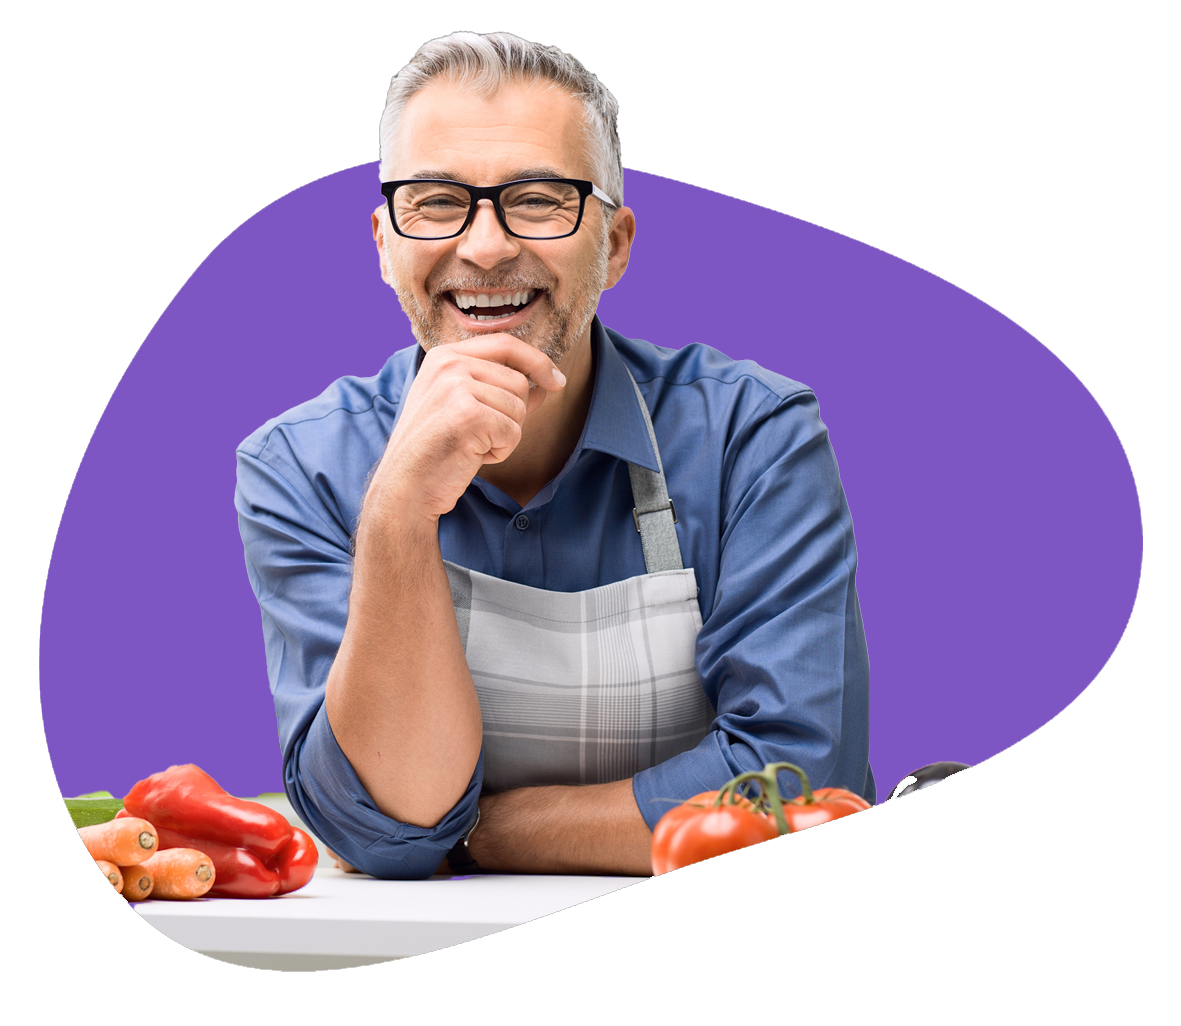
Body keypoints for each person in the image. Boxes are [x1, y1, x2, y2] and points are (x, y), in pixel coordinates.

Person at [235, 30, 874, 880]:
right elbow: (384, 828)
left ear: (612, 244)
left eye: (537, 199)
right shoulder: (301, 468)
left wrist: (490, 836)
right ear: (386, 241)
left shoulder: (751, 439)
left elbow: (801, 787)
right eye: (434, 201)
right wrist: (395, 513)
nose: (487, 246)